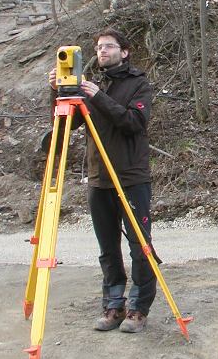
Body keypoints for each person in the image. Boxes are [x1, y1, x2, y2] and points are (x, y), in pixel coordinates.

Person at [49, 28, 156, 333]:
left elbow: (133, 123)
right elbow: (66, 126)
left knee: (140, 247)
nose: (102, 51)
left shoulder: (138, 84)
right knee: (108, 248)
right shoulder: (90, 86)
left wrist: (98, 96)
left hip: (131, 177)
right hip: (99, 179)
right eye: (98, 47)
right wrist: (58, 92)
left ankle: (138, 309)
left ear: (125, 52)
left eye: (109, 46)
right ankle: (113, 306)